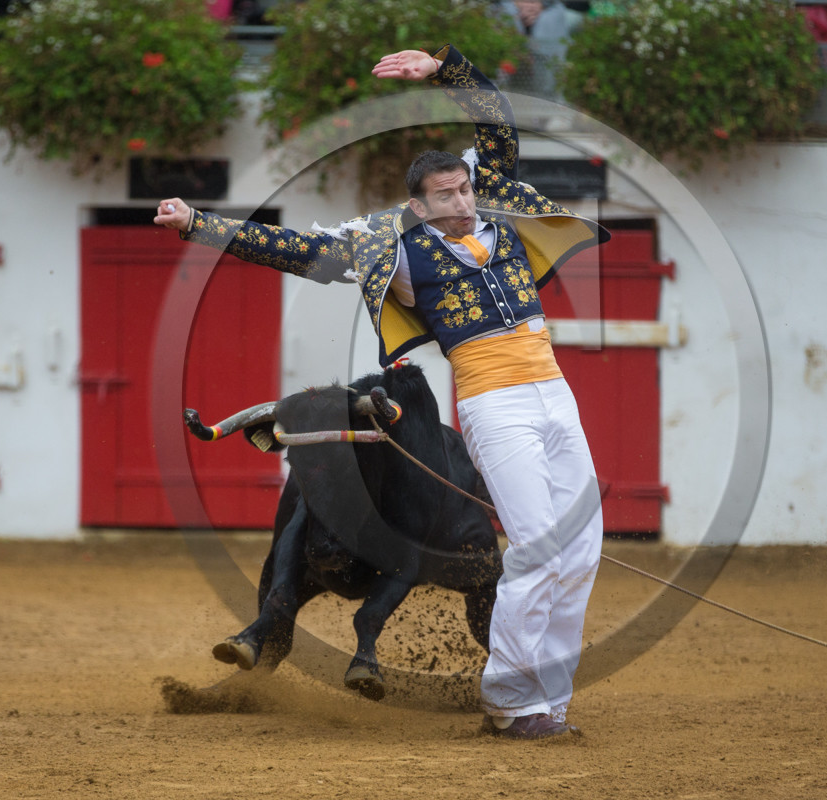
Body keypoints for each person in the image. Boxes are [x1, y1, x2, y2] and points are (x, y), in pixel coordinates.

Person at [155, 45, 609, 741]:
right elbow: (299, 251)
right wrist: (198, 224)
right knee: (536, 546)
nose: (462, 202)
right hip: (494, 403)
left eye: (466, 190)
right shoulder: (392, 249)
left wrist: (445, 67)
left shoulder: (497, 207)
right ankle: (513, 704)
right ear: (418, 205)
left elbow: (497, 123)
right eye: (446, 196)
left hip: (554, 393)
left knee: (580, 547)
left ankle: (551, 700)